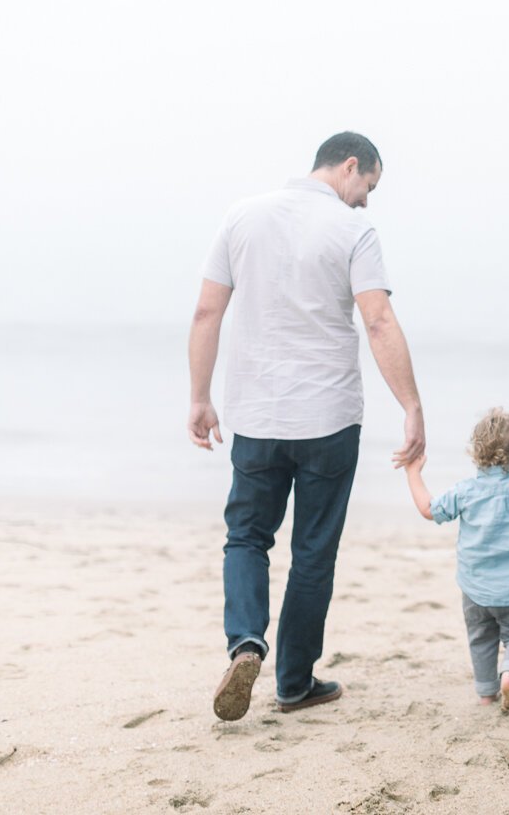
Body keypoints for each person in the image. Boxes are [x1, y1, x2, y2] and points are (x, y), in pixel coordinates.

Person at [188, 131, 426, 722]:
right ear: (351, 167)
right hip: (328, 419)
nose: (366, 200)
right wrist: (412, 405)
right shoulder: (353, 231)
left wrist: (199, 396)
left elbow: (206, 311)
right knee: (313, 551)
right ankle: (294, 683)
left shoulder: (242, 217)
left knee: (247, 536)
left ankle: (245, 643)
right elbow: (378, 321)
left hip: (257, 416)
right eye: (367, 187)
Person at [398, 408, 509, 713]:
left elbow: (429, 509)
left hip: (475, 589)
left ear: (475, 453)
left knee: (480, 639)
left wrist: (413, 472)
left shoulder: (466, 492)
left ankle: (485, 695)